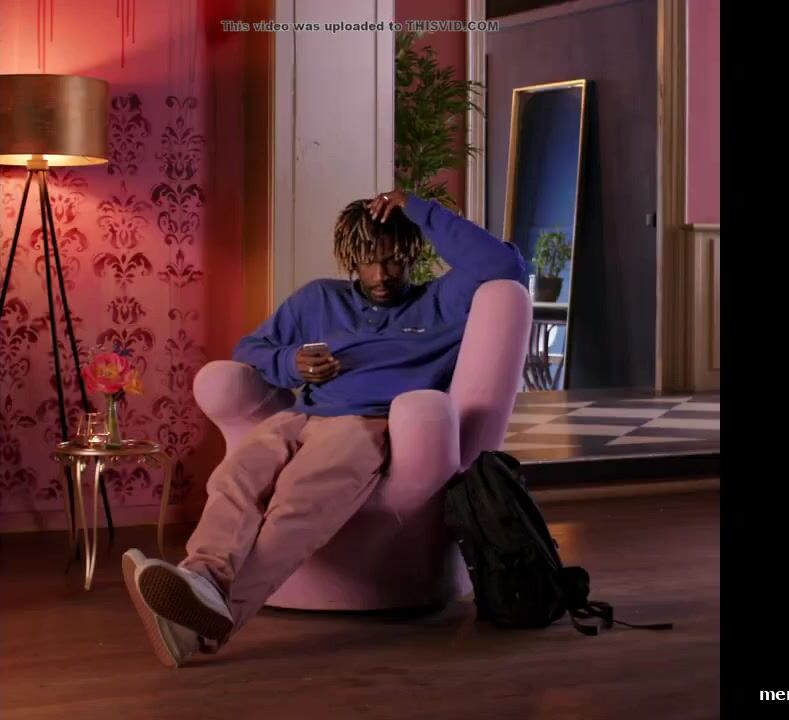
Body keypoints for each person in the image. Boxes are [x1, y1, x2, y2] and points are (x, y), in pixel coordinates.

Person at [122, 190, 526, 667]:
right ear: (351, 259)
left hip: (365, 424)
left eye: (393, 261)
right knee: (234, 479)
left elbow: (506, 266)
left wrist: (416, 208)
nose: (381, 276)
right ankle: (200, 580)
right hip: (299, 416)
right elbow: (250, 348)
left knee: (298, 501)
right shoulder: (319, 298)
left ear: (411, 253)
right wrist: (289, 363)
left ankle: (211, 618)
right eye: (369, 262)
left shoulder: (440, 302)